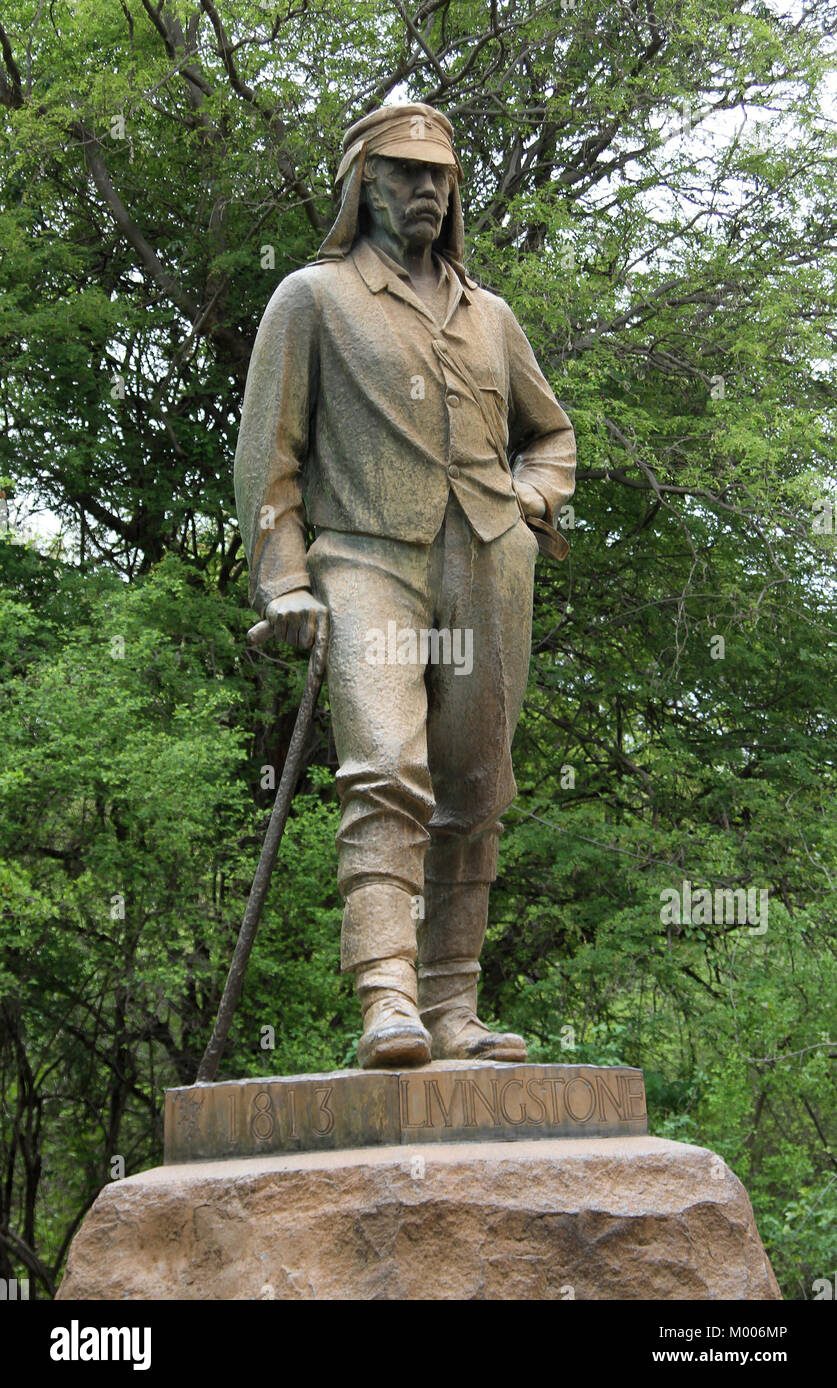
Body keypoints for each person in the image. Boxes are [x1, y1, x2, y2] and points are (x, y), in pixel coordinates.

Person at [234, 103, 576, 1068]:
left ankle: (452, 1010)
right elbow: (270, 455)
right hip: (366, 559)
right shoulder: (314, 298)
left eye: (438, 175)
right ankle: (385, 996)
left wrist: (527, 500)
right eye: (402, 173)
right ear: (363, 185)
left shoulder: (491, 316)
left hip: (487, 560)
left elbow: (550, 434)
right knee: (386, 769)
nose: (425, 189)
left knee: (476, 785)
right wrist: (284, 580)